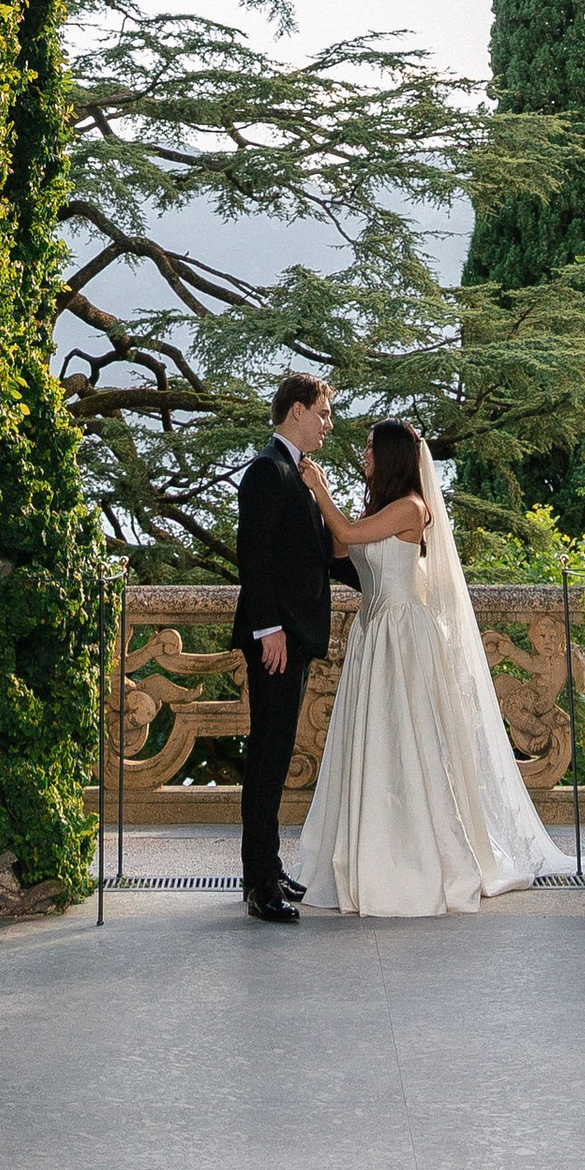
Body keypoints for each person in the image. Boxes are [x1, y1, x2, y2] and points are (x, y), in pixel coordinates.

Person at [293, 418, 571, 918]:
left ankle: (420, 854)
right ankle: (368, 846)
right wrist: (328, 506)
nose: (365, 457)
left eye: (372, 450)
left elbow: (349, 533)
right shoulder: (380, 506)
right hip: (373, 632)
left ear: (395, 458)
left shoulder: (411, 508)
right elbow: (342, 546)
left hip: (403, 635)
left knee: (411, 738)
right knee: (375, 741)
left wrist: (320, 490)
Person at [229, 373, 353, 923]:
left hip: (293, 638)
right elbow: (253, 560)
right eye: (323, 413)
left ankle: (268, 865)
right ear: (298, 410)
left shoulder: (296, 474)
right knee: (268, 756)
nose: (328, 424)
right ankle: (259, 885)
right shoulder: (267, 471)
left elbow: (316, 555)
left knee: (275, 756)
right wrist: (268, 630)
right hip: (277, 642)